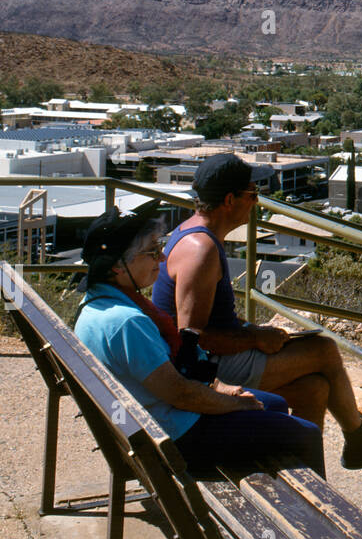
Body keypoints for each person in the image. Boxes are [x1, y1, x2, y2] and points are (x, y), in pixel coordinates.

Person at [151, 152, 362, 469]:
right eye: (253, 194)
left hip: (207, 360)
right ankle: (360, 441)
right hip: (204, 370)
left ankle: (311, 487)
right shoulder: (200, 250)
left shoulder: (193, 234)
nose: (256, 201)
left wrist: (251, 332)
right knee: (324, 350)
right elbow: (193, 338)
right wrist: (255, 339)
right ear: (230, 200)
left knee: (314, 389)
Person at [73, 203, 326, 476]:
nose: (160, 258)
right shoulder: (126, 323)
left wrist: (221, 388)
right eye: (151, 252)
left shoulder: (97, 304)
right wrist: (237, 404)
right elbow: (180, 393)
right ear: (117, 267)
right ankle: (321, 516)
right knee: (305, 434)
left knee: (273, 405)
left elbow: (173, 379)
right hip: (176, 438)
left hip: (149, 424)